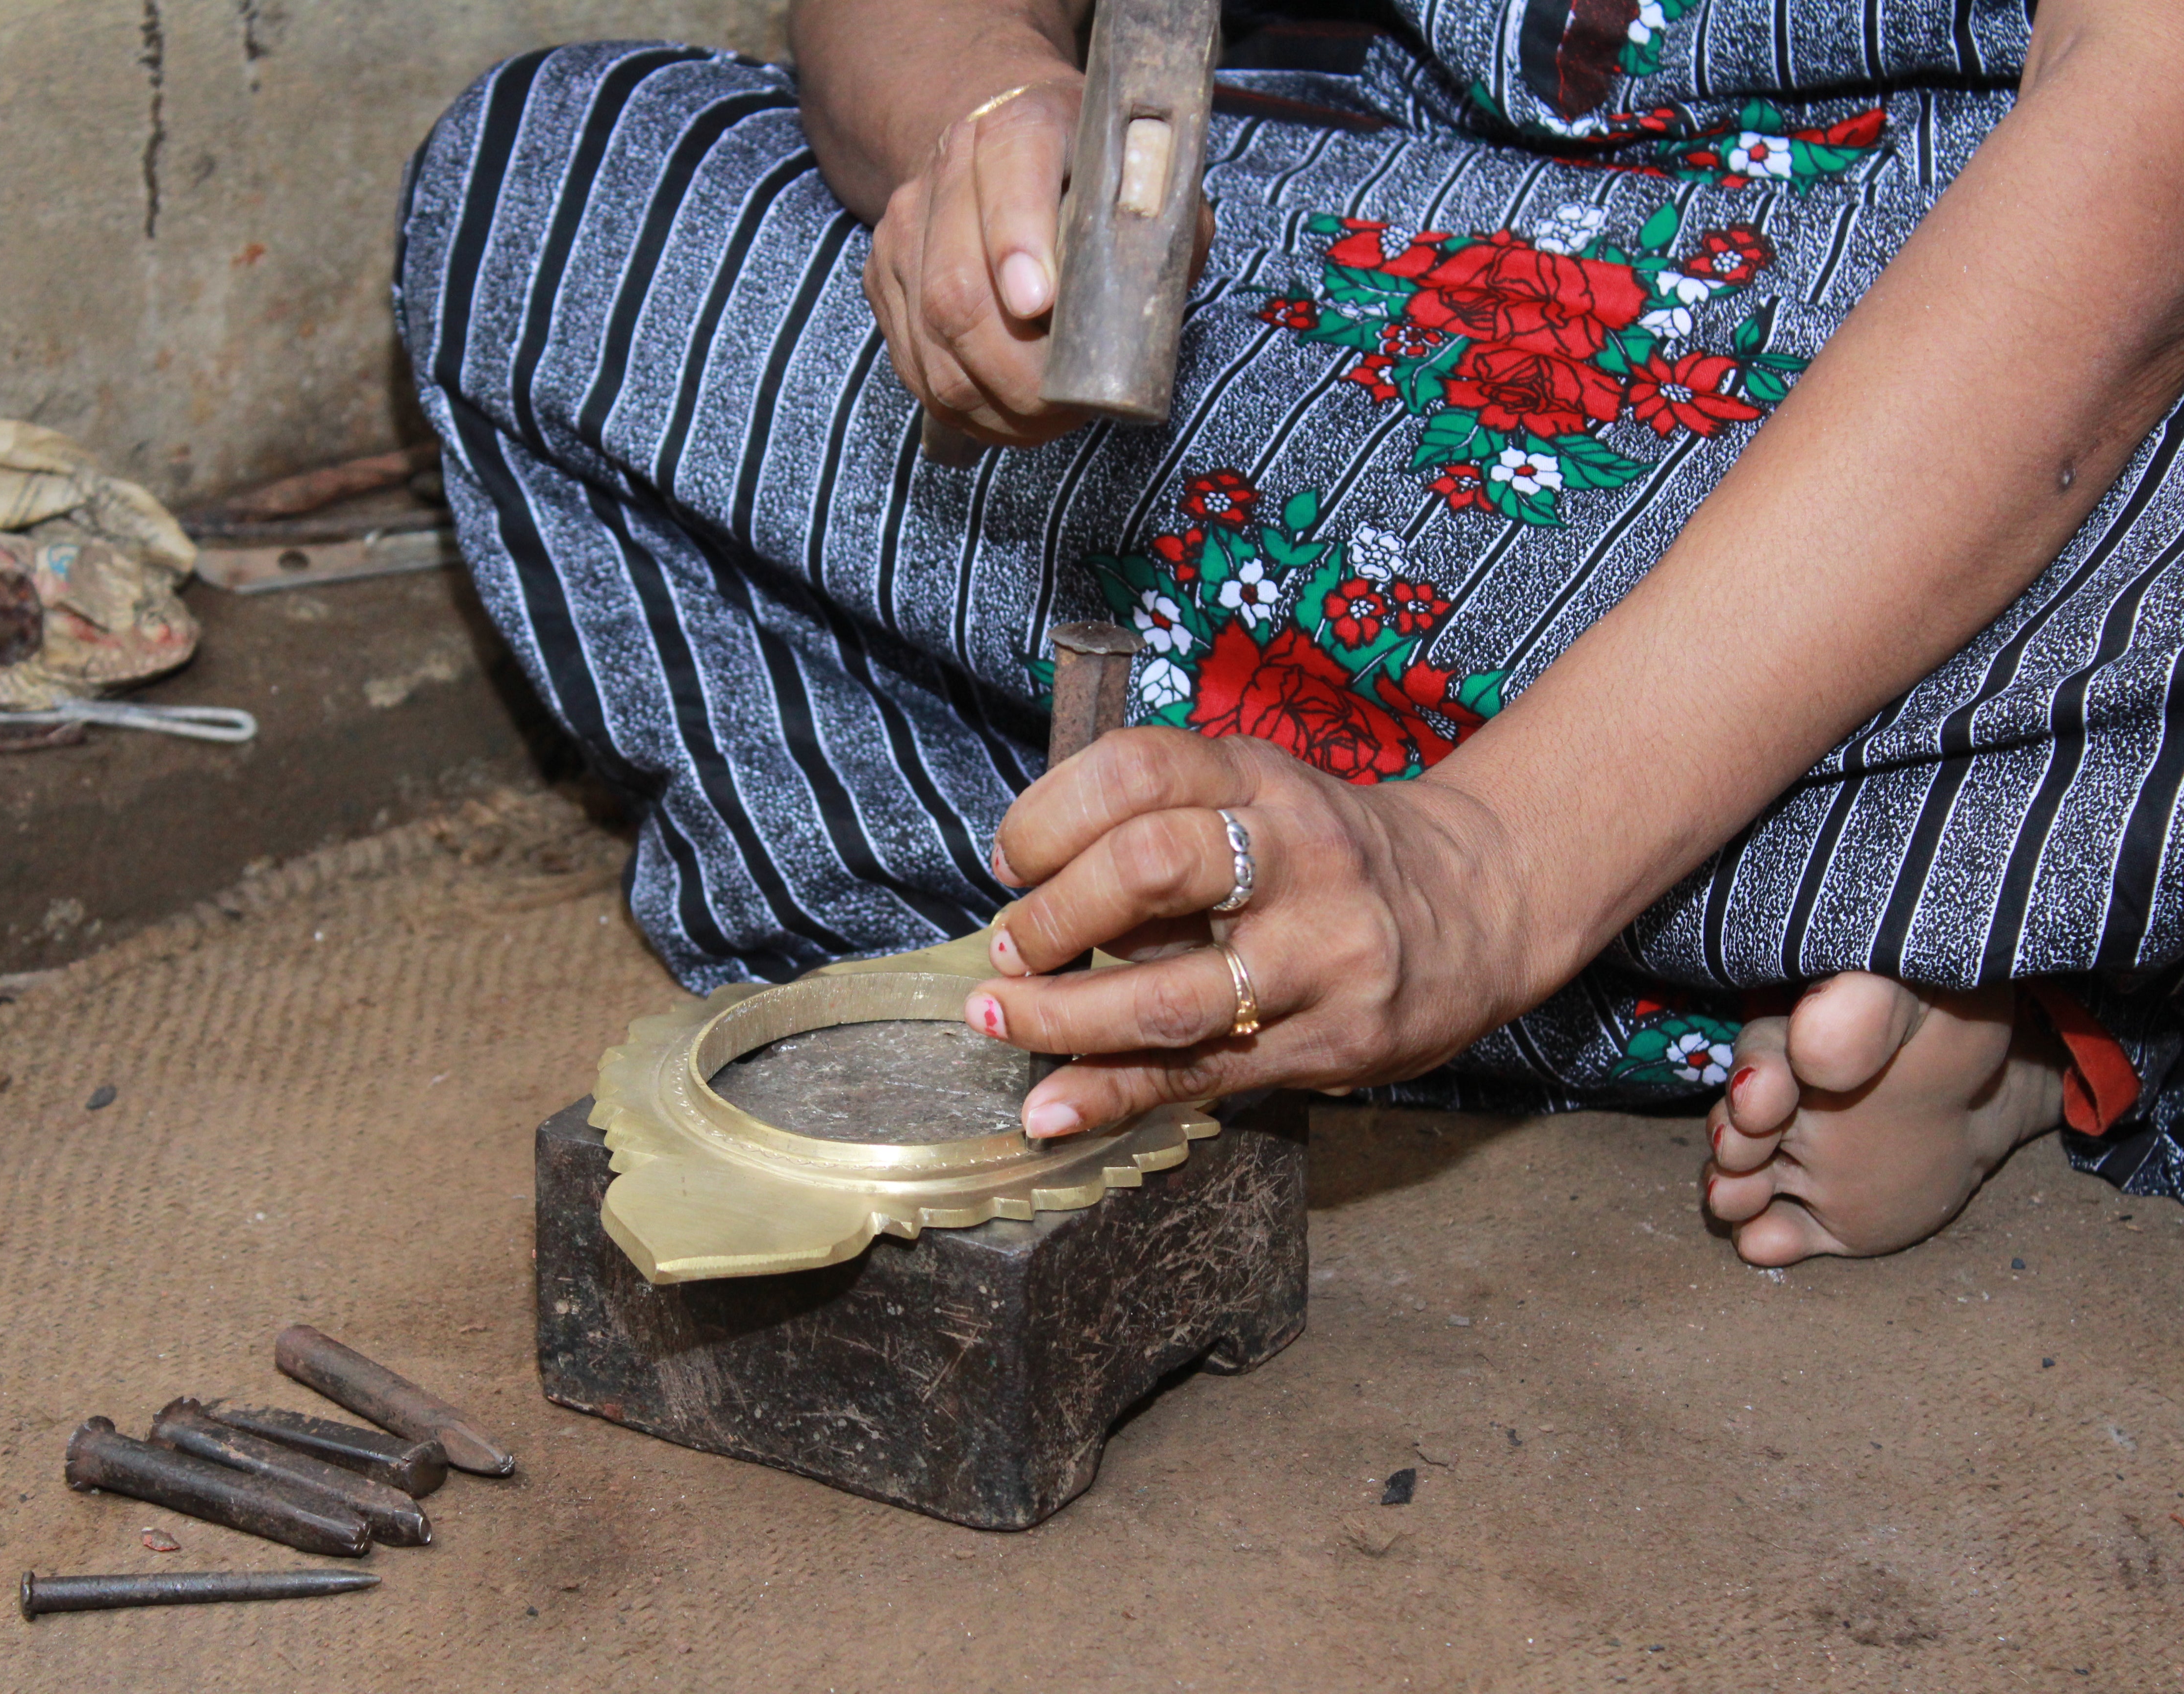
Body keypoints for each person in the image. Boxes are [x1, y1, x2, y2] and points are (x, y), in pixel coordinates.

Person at [396, 0, 2184, 1264]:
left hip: (1975, 352)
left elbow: (2145, 161)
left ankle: (1414, 927)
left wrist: (1489, 862)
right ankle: (1893, 957)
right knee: (547, 210)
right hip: (1353, 271)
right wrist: (987, 138)